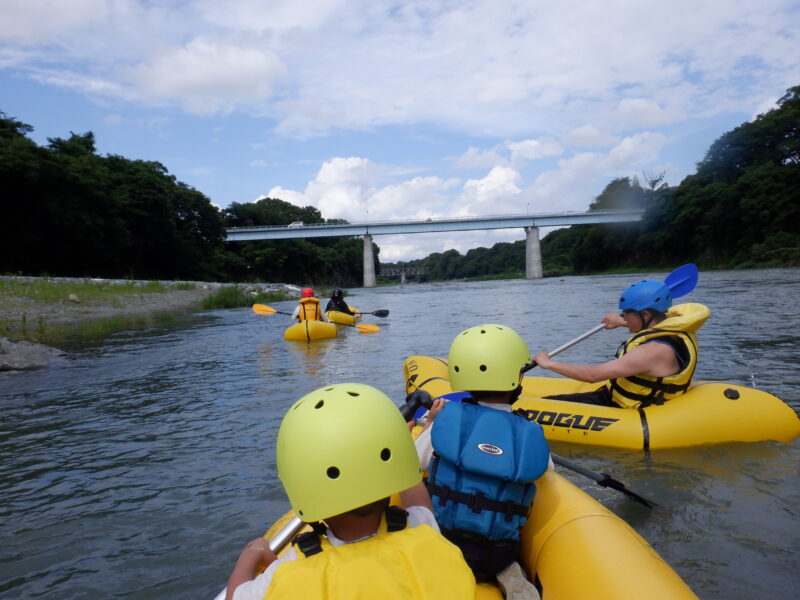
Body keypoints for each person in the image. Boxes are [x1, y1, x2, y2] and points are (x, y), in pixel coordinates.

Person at [226, 383, 476, 600]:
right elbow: (417, 498)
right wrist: (398, 444)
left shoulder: (283, 573)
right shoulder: (423, 528)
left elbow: (235, 595)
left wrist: (252, 553)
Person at [413, 324, 551, 600]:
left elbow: (413, 463)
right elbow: (544, 470)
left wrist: (429, 424)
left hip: (444, 546)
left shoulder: (446, 424)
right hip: (499, 552)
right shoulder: (530, 434)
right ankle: (507, 569)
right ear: (517, 380)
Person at [533, 277, 711, 409]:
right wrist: (621, 322)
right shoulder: (675, 330)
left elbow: (593, 376)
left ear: (646, 314)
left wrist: (549, 363)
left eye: (626, 313)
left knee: (542, 406)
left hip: (627, 408)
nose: (622, 316)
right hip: (617, 395)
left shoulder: (653, 351)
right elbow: (651, 329)